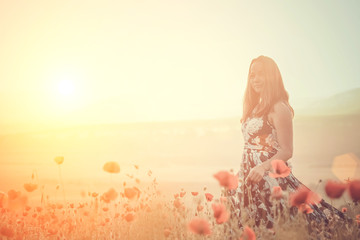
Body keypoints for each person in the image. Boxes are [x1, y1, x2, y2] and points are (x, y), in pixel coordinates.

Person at [228, 55, 350, 234]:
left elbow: (287, 150)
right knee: (247, 227)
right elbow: (250, 146)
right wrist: (241, 172)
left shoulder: (279, 107)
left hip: (269, 179)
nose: (255, 79)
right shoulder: (254, 107)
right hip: (249, 177)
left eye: (260, 74)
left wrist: (262, 168)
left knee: (279, 226)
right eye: (252, 75)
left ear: (272, 77)